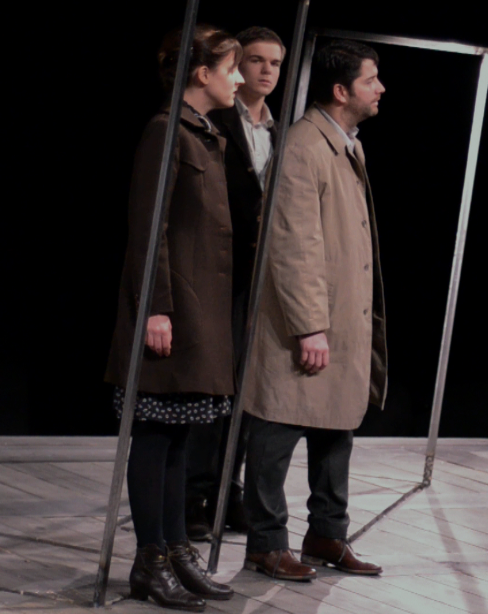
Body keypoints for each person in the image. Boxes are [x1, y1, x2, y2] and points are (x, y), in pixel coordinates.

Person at [104, 25, 244, 611]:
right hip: (173, 310)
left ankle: (177, 550)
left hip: (200, 312)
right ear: (202, 73)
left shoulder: (204, 132)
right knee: (156, 435)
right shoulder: (166, 131)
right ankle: (150, 561)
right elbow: (149, 227)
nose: (240, 79)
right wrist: (155, 308)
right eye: (231, 68)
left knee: (182, 437)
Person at [239, 39, 388, 581]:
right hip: (306, 323)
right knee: (278, 426)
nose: (380, 88)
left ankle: (327, 533)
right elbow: (292, 242)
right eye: (371, 79)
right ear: (341, 90)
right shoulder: (304, 146)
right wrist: (309, 326)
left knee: (336, 429)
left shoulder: (345, 145)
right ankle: (266, 543)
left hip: (341, 317)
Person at [185, 25, 286, 542]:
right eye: (256, 60)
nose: (267, 71)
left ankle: (229, 490)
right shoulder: (217, 121)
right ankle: (194, 496)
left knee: (248, 388)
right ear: (237, 67)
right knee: (214, 385)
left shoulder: (281, 130)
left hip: (264, 277)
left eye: (275, 63)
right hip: (222, 273)